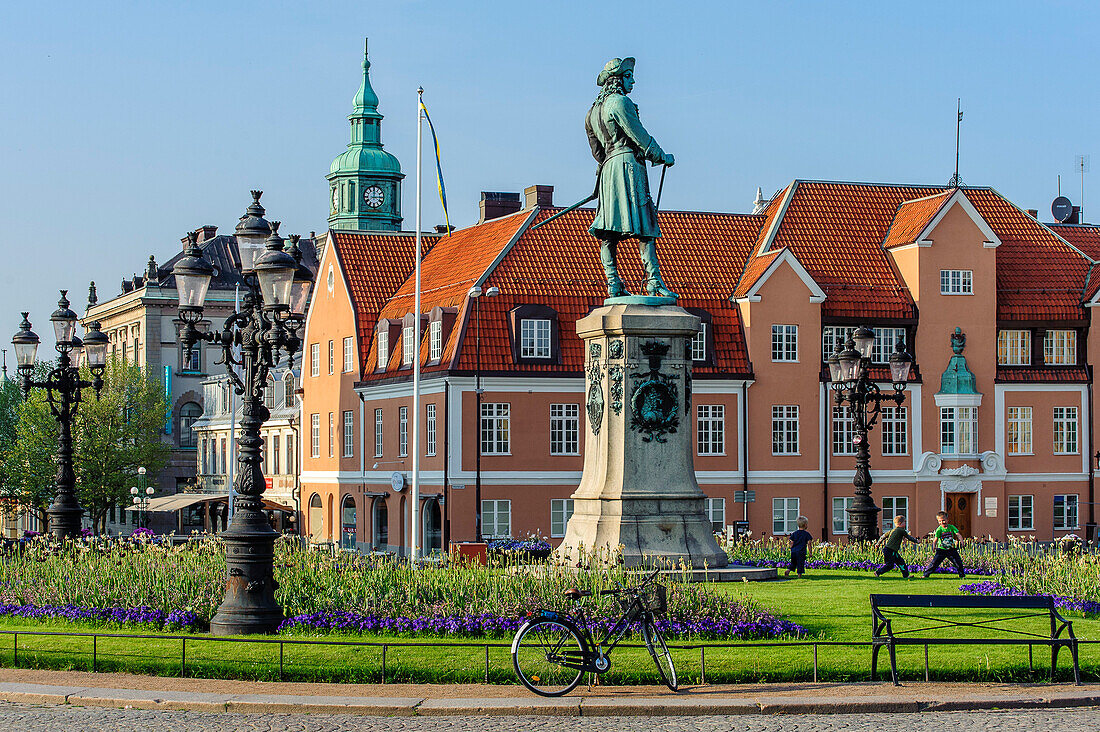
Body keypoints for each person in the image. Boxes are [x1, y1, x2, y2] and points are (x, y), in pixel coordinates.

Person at [585, 57, 677, 299]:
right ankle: (654, 281)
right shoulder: (620, 103)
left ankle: (613, 283)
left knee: (608, 231)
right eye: (628, 76)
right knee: (645, 226)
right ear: (617, 79)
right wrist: (661, 155)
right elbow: (639, 135)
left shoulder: (592, 113)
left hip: (608, 172)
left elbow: (597, 152)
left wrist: (607, 165)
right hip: (628, 168)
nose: (633, 80)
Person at [923, 511, 966, 578]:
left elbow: (958, 534)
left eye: (943, 520)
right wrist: (934, 546)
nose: (942, 523)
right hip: (941, 550)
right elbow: (935, 539)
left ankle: (962, 576)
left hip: (951, 549)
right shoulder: (939, 529)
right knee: (934, 563)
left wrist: (962, 542)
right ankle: (925, 575)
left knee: (958, 562)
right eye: (939, 521)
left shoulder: (951, 527)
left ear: (947, 520)